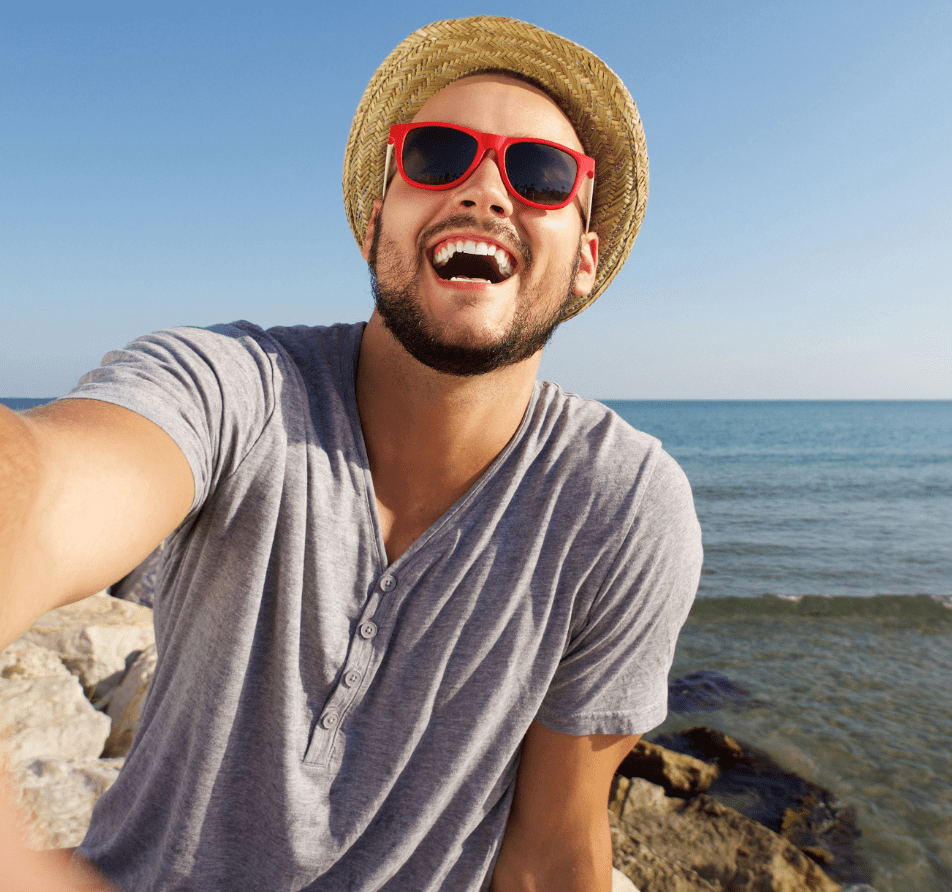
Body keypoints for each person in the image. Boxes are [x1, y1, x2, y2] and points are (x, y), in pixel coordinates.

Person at [0, 16, 702, 892]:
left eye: (541, 173)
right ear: (378, 221)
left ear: (586, 259)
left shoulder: (624, 506)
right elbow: (43, 486)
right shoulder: (237, 388)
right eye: (439, 154)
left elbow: (554, 852)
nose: (485, 191)